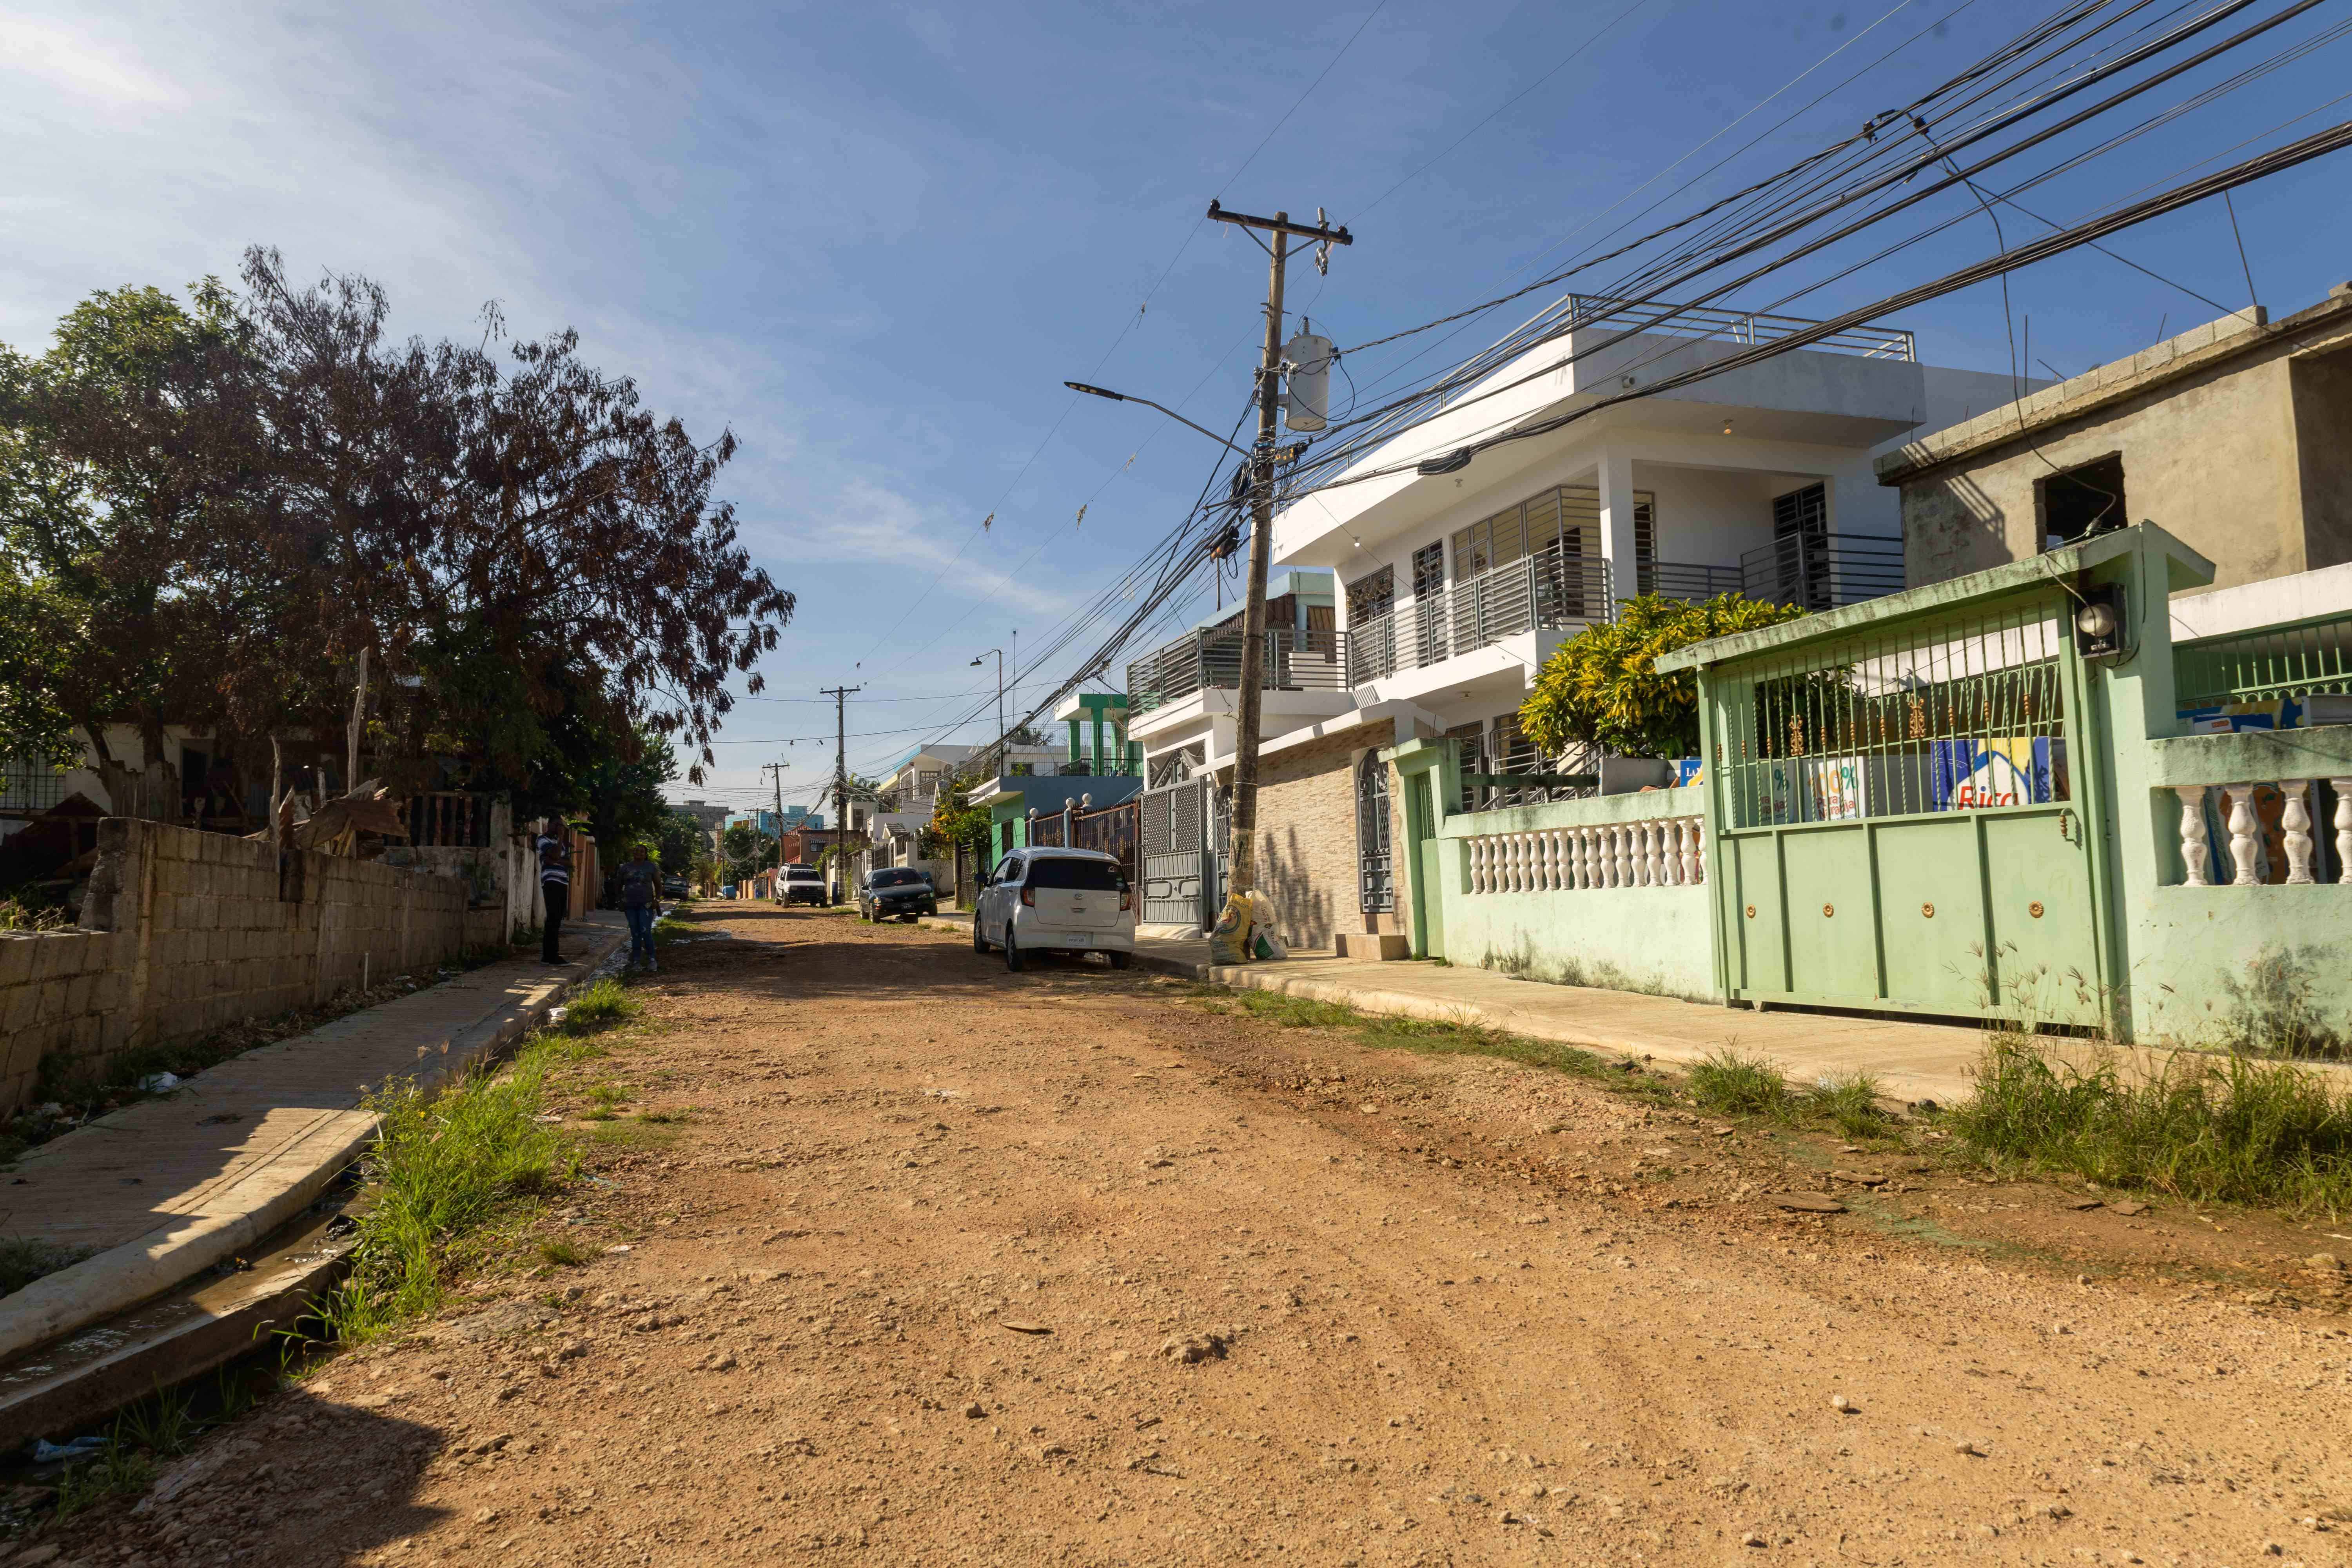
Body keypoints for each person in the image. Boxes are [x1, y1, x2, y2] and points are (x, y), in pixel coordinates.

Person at [618, 843, 663, 971]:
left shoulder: (651, 867)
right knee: (635, 932)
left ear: (646, 854)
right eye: (637, 851)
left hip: (646, 904)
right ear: (633, 853)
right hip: (630, 905)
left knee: (645, 931)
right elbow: (618, 885)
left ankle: (652, 960)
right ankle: (636, 961)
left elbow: (659, 885)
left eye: (642, 851)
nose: (639, 853)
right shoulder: (625, 868)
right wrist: (619, 900)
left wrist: (657, 900)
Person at [537, 826, 572, 964]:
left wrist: (555, 860)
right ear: (551, 825)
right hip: (551, 881)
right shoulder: (543, 840)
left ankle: (552, 954)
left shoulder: (559, 844)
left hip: (563, 882)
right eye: (558, 825)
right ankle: (550, 955)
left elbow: (569, 863)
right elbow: (557, 856)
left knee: (558, 918)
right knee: (553, 917)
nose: (561, 829)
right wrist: (561, 839)